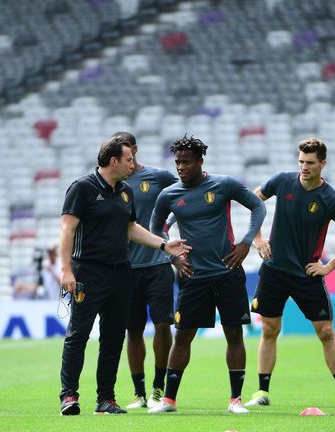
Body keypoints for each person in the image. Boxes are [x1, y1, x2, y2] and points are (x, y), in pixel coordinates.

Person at [58, 135, 190, 416]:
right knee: (78, 335)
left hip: (120, 273)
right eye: (129, 159)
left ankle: (106, 398)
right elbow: (67, 230)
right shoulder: (82, 188)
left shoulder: (125, 191)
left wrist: (164, 244)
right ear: (114, 161)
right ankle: (69, 395)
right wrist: (66, 270)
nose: (133, 164)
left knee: (113, 337)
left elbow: (131, 229)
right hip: (87, 273)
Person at [147, 135, 266, 415]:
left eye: (186, 162)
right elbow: (156, 229)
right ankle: (169, 401)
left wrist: (247, 241)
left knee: (234, 334)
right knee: (183, 336)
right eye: (177, 162)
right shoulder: (169, 195)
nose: (180, 167)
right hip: (193, 276)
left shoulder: (223, 184)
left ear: (200, 161)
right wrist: (172, 256)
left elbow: (258, 206)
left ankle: (235, 400)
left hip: (228, 272)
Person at [243, 138, 335, 409]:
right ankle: (262, 392)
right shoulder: (282, 181)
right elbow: (253, 202)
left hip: (307, 274)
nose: (304, 167)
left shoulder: (331, 198)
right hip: (274, 271)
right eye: (301, 162)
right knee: (269, 330)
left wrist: (329, 267)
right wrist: (257, 240)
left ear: (322, 164)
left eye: (310, 162)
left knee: (326, 331)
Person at [112, 132, 179, 410]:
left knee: (163, 325)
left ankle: (158, 388)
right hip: (126, 268)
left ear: (134, 150)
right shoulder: (110, 183)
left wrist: (167, 226)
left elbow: (186, 195)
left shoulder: (158, 177)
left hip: (158, 264)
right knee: (133, 330)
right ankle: (139, 393)